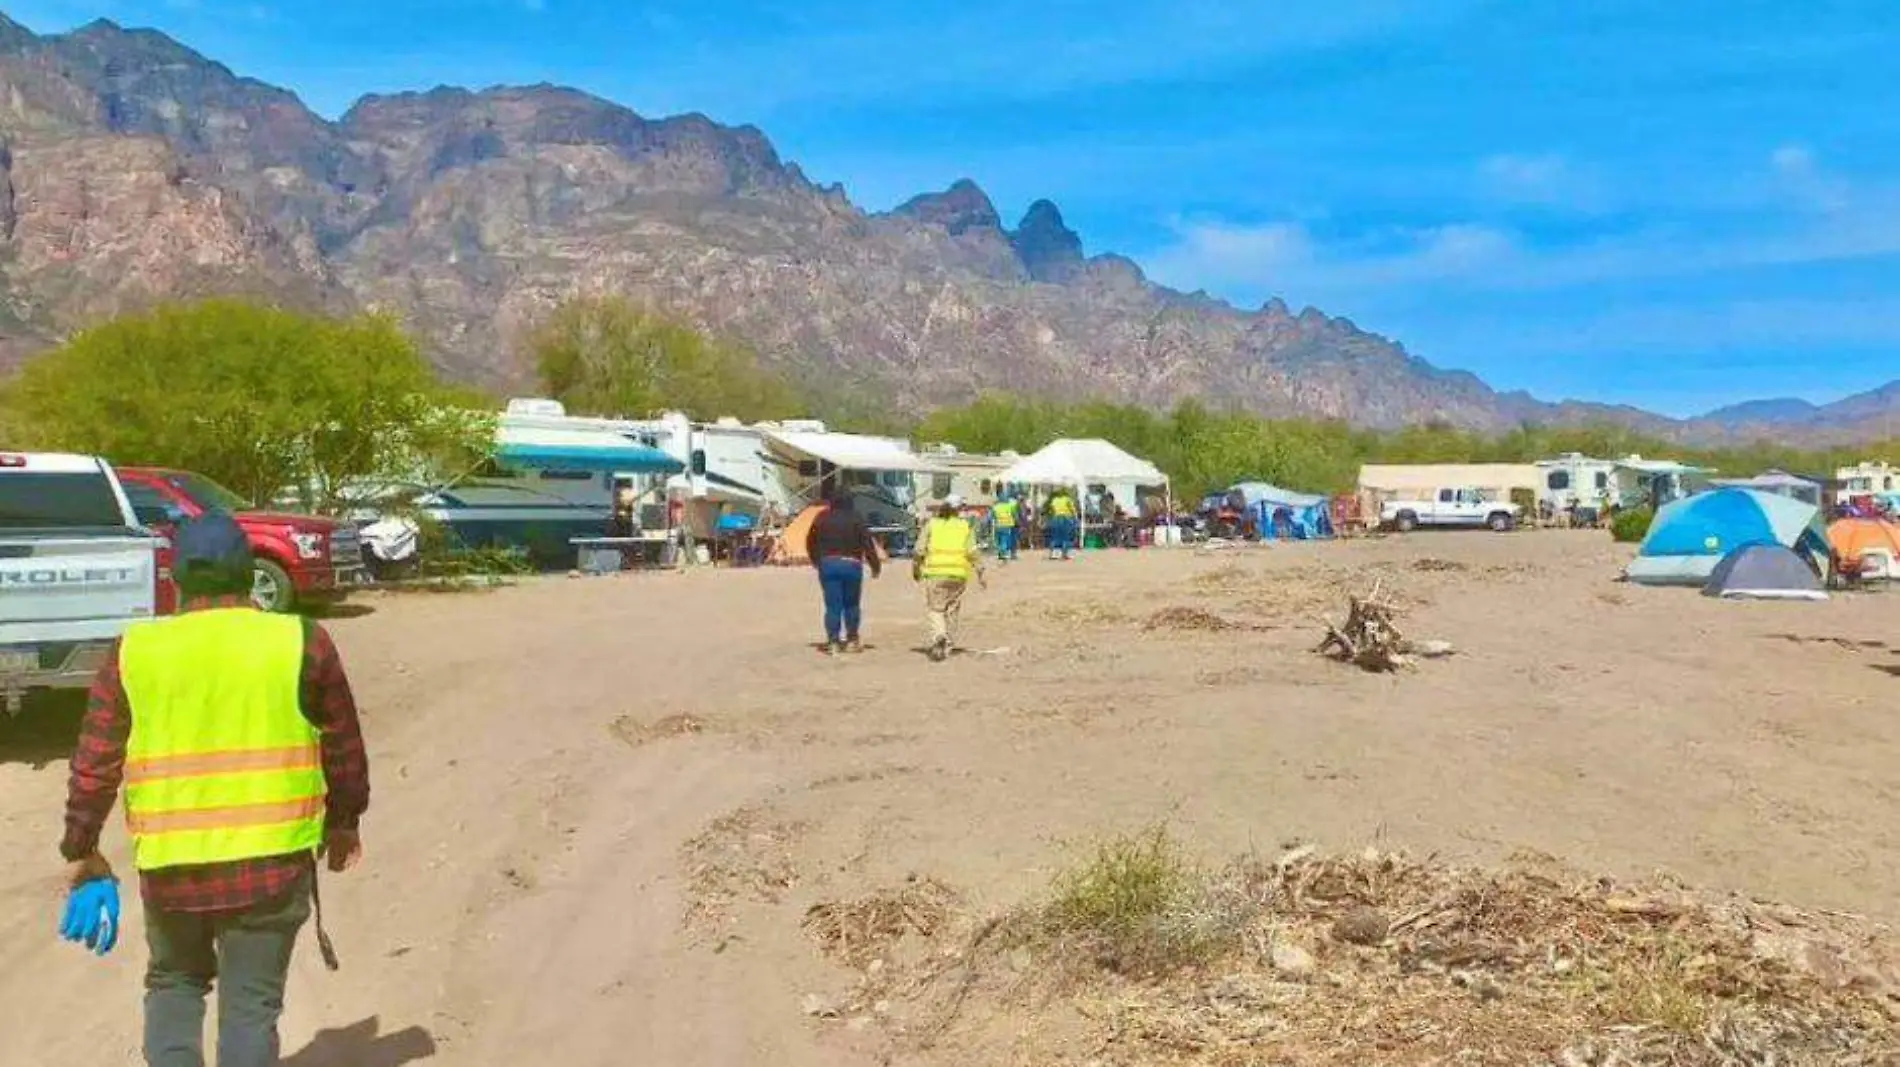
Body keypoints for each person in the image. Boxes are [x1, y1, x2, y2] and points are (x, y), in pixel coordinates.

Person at [58, 511, 370, 1067]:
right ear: (249, 573)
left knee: (175, 984)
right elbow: (342, 744)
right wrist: (345, 821)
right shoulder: (300, 639)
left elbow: (94, 760)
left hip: (173, 871)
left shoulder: (136, 649)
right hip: (272, 867)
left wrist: (82, 848)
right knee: (250, 1007)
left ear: (176, 577)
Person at [805, 492, 882, 655]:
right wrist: (875, 566)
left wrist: (816, 560)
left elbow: (810, 541)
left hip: (828, 564)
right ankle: (852, 640)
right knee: (851, 604)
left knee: (833, 606)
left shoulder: (822, 518)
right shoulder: (856, 518)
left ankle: (833, 641)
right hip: (852, 564)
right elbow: (867, 543)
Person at [913, 494, 986, 662]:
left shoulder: (932, 524)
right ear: (959, 510)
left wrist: (916, 568)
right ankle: (948, 644)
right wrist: (981, 572)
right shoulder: (964, 527)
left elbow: (919, 550)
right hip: (958, 574)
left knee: (936, 609)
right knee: (952, 609)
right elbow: (972, 552)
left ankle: (939, 635)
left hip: (935, 573)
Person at [1046, 487, 1079, 561]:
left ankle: (1051, 554)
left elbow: (1052, 510)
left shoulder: (1054, 500)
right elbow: (1073, 510)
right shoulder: (1067, 499)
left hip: (1056, 518)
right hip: (1065, 519)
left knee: (1055, 537)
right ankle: (1063, 555)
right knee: (1065, 537)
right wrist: (1075, 519)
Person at [991, 493, 1021, 562]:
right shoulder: (1010, 506)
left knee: (998, 539)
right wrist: (1017, 522)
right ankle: (1004, 553)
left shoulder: (995, 507)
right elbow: (1014, 515)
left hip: (997, 525)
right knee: (1004, 540)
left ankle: (1000, 553)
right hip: (1007, 525)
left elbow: (992, 516)